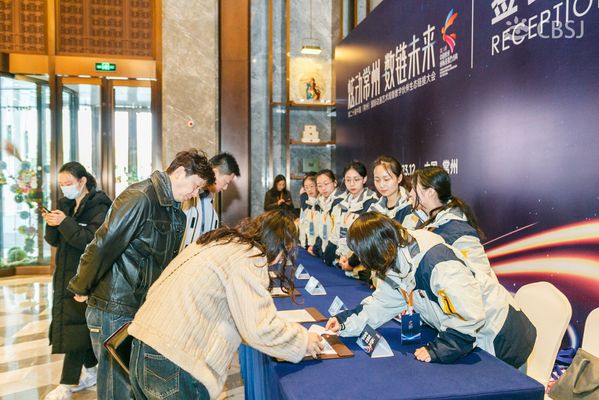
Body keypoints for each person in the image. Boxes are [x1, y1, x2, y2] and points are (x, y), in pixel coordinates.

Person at [128, 210, 324, 399]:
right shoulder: (249, 256)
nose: (279, 261)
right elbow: (260, 327)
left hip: (143, 346)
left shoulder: (224, 241)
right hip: (175, 359)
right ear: (278, 245)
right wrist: (303, 341)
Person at [68, 149, 215, 399]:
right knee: (116, 389)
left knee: (133, 383)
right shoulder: (141, 197)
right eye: (196, 186)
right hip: (114, 307)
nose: (195, 194)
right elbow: (103, 245)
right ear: (180, 173)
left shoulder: (172, 209)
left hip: (137, 307)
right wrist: (81, 285)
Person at [326, 212, 536, 368]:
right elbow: (382, 303)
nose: (361, 260)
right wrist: (344, 322)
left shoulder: (436, 262)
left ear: (375, 250)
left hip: (501, 339)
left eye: (362, 255)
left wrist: (438, 350)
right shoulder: (396, 256)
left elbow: (469, 315)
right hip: (476, 338)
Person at [42, 162, 112, 400]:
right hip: (64, 274)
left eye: (69, 183)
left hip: (86, 276)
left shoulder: (100, 206)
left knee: (76, 329)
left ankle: (66, 383)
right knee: (76, 326)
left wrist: (65, 222)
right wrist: (52, 223)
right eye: (61, 184)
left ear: (82, 181)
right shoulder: (65, 204)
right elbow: (54, 241)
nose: (65, 188)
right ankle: (92, 371)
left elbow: (90, 241)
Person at [411, 166, 497, 280]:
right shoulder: (426, 222)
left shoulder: (458, 230)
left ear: (430, 192)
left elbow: (482, 276)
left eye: (413, 188)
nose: (410, 193)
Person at [181, 152, 241, 248]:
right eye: (226, 182)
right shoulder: (186, 194)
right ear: (215, 172)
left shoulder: (209, 198)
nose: (225, 188)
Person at [325, 161, 377, 268]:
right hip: (342, 261)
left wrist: (352, 262)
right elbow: (336, 234)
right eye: (348, 180)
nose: (352, 184)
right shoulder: (341, 203)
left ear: (364, 179)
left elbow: (367, 241)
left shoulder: (372, 204)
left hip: (361, 265)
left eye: (356, 179)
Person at [368, 155, 419, 228]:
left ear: (399, 178)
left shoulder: (411, 205)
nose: (381, 185)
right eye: (377, 180)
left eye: (386, 179)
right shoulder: (374, 208)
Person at [308, 169, 344, 260]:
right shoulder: (320, 202)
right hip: (324, 249)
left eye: (326, 184)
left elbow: (338, 232)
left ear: (335, 183)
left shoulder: (342, 202)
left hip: (338, 253)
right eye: (319, 186)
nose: (323, 188)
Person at [298, 173, 318, 248]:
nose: (309, 189)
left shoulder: (321, 203)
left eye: (312, 186)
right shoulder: (305, 201)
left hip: (316, 245)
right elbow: (302, 222)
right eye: (306, 187)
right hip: (305, 243)